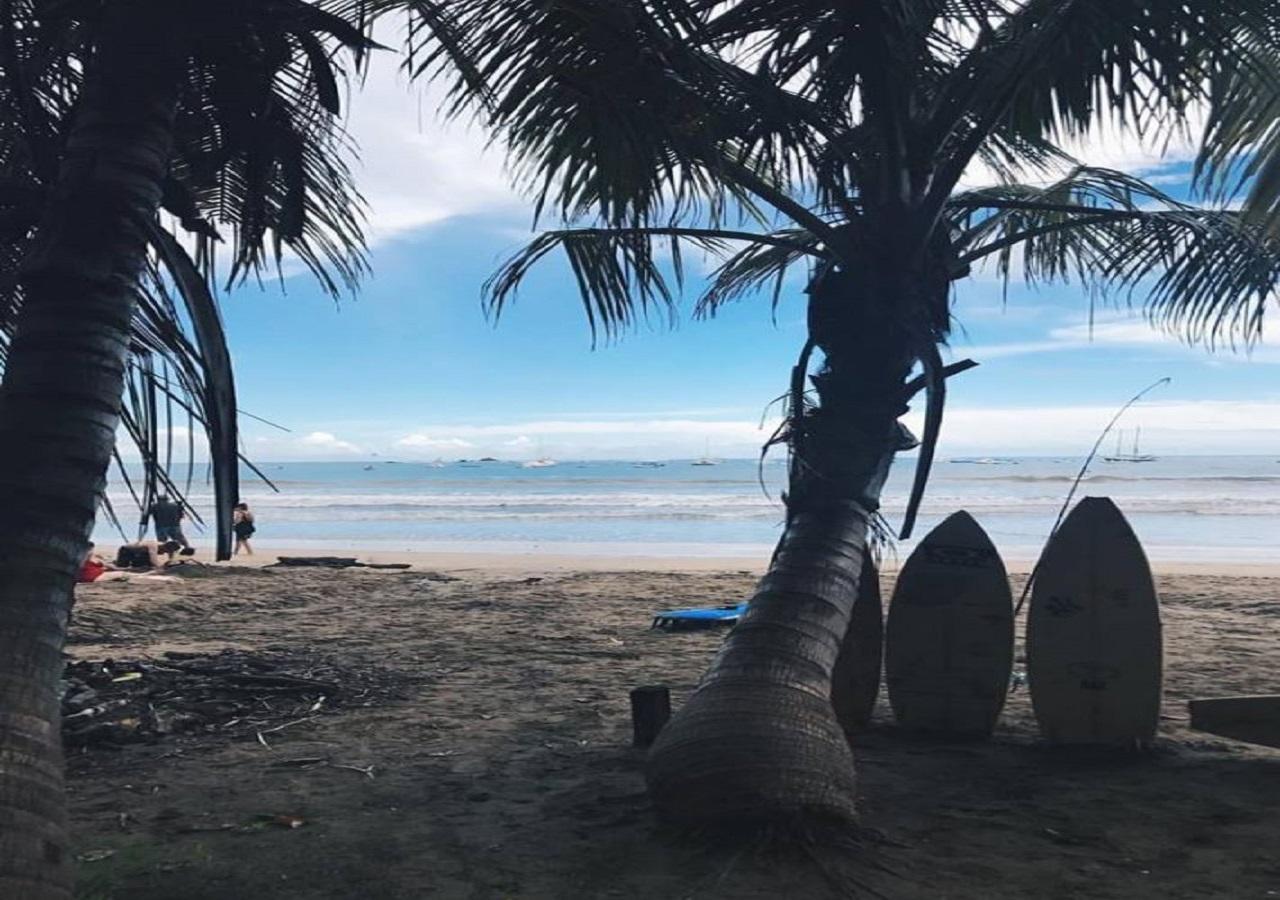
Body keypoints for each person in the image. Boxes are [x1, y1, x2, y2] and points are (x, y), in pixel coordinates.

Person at [78, 542, 178, 584]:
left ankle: (150, 576)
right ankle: (153, 576)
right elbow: (153, 558)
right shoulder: (84, 558)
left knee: (125, 575)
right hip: (95, 576)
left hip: (98, 573)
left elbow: (107, 565)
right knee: (125, 575)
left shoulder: (91, 558)